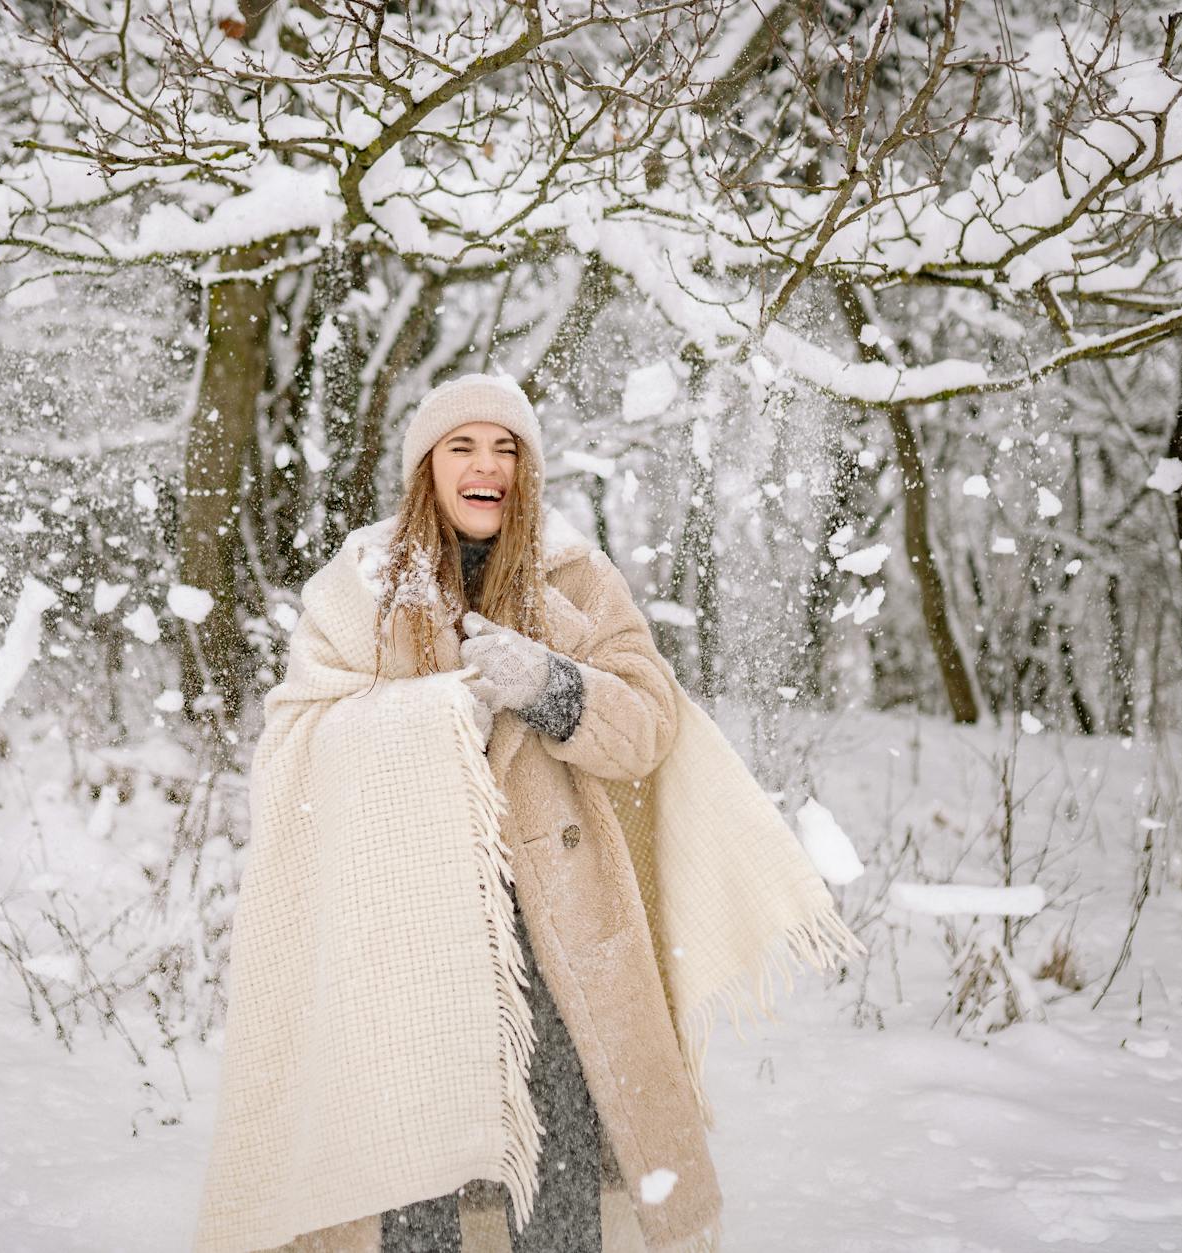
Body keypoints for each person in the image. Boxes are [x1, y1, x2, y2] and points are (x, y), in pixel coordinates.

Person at [194, 372, 862, 1253]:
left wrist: (551, 683)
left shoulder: (578, 577)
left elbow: (650, 721)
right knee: (413, 1161)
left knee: (564, 1155)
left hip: (563, 921)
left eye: (506, 448)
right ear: (426, 466)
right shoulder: (358, 586)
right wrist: (433, 719)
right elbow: (296, 741)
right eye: (462, 446)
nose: (487, 467)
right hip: (412, 922)